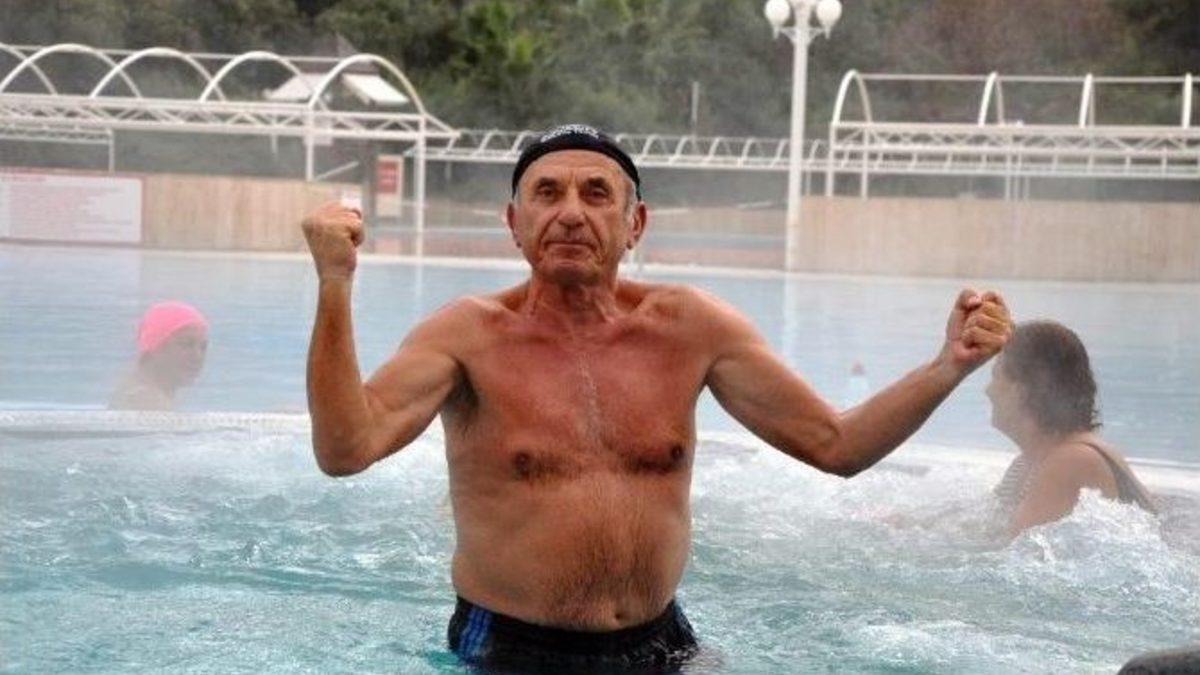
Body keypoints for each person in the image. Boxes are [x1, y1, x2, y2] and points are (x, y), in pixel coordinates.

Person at [301, 124, 1012, 672]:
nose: (570, 213)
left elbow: (838, 445)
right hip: (513, 648)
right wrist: (335, 283)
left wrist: (947, 365)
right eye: (546, 194)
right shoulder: (465, 336)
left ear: (635, 223)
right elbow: (344, 448)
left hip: (664, 643)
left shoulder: (692, 328)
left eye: (596, 194)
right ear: (514, 223)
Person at [988, 320, 1155, 537]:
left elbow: (1012, 550)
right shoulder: (1026, 463)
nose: (988, 390)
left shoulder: (1072, 460)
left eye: (996, 376)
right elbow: (990, 531)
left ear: (1021, 390)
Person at [109, 301, 208, 411]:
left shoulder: (138, 392)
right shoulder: (146, 401)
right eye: (185, 344)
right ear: (155, 347)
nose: (197, 356)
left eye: (203, 347)